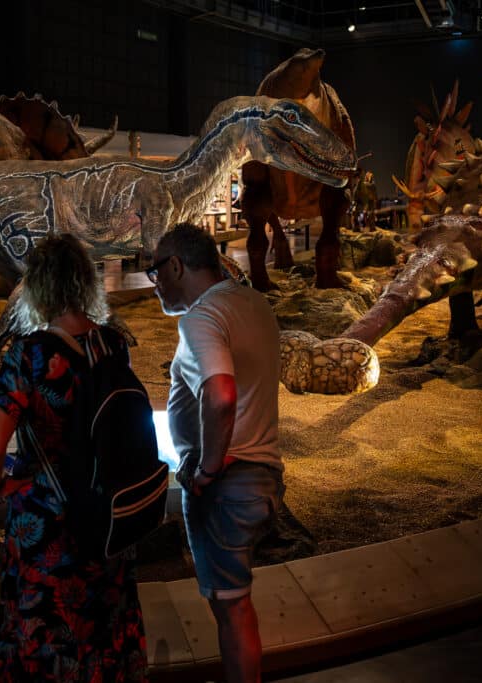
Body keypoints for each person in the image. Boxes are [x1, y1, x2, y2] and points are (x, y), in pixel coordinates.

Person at [0, 234, 148, 681]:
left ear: (38, 289)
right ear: (83, 284)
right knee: (103, 628)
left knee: (47, 631)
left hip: (48, 522)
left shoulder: (28, 355)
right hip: (107, 512)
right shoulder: (113, 344)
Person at [147, 223, 284, 683]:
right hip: (264, 475)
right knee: (237, 604)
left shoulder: (201, 318)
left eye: (155, 272)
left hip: (226, 485)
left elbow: (221, 394)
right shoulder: (254, 304)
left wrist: (206, 470)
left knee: (231, 612)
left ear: (176, 266)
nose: (155, 284)